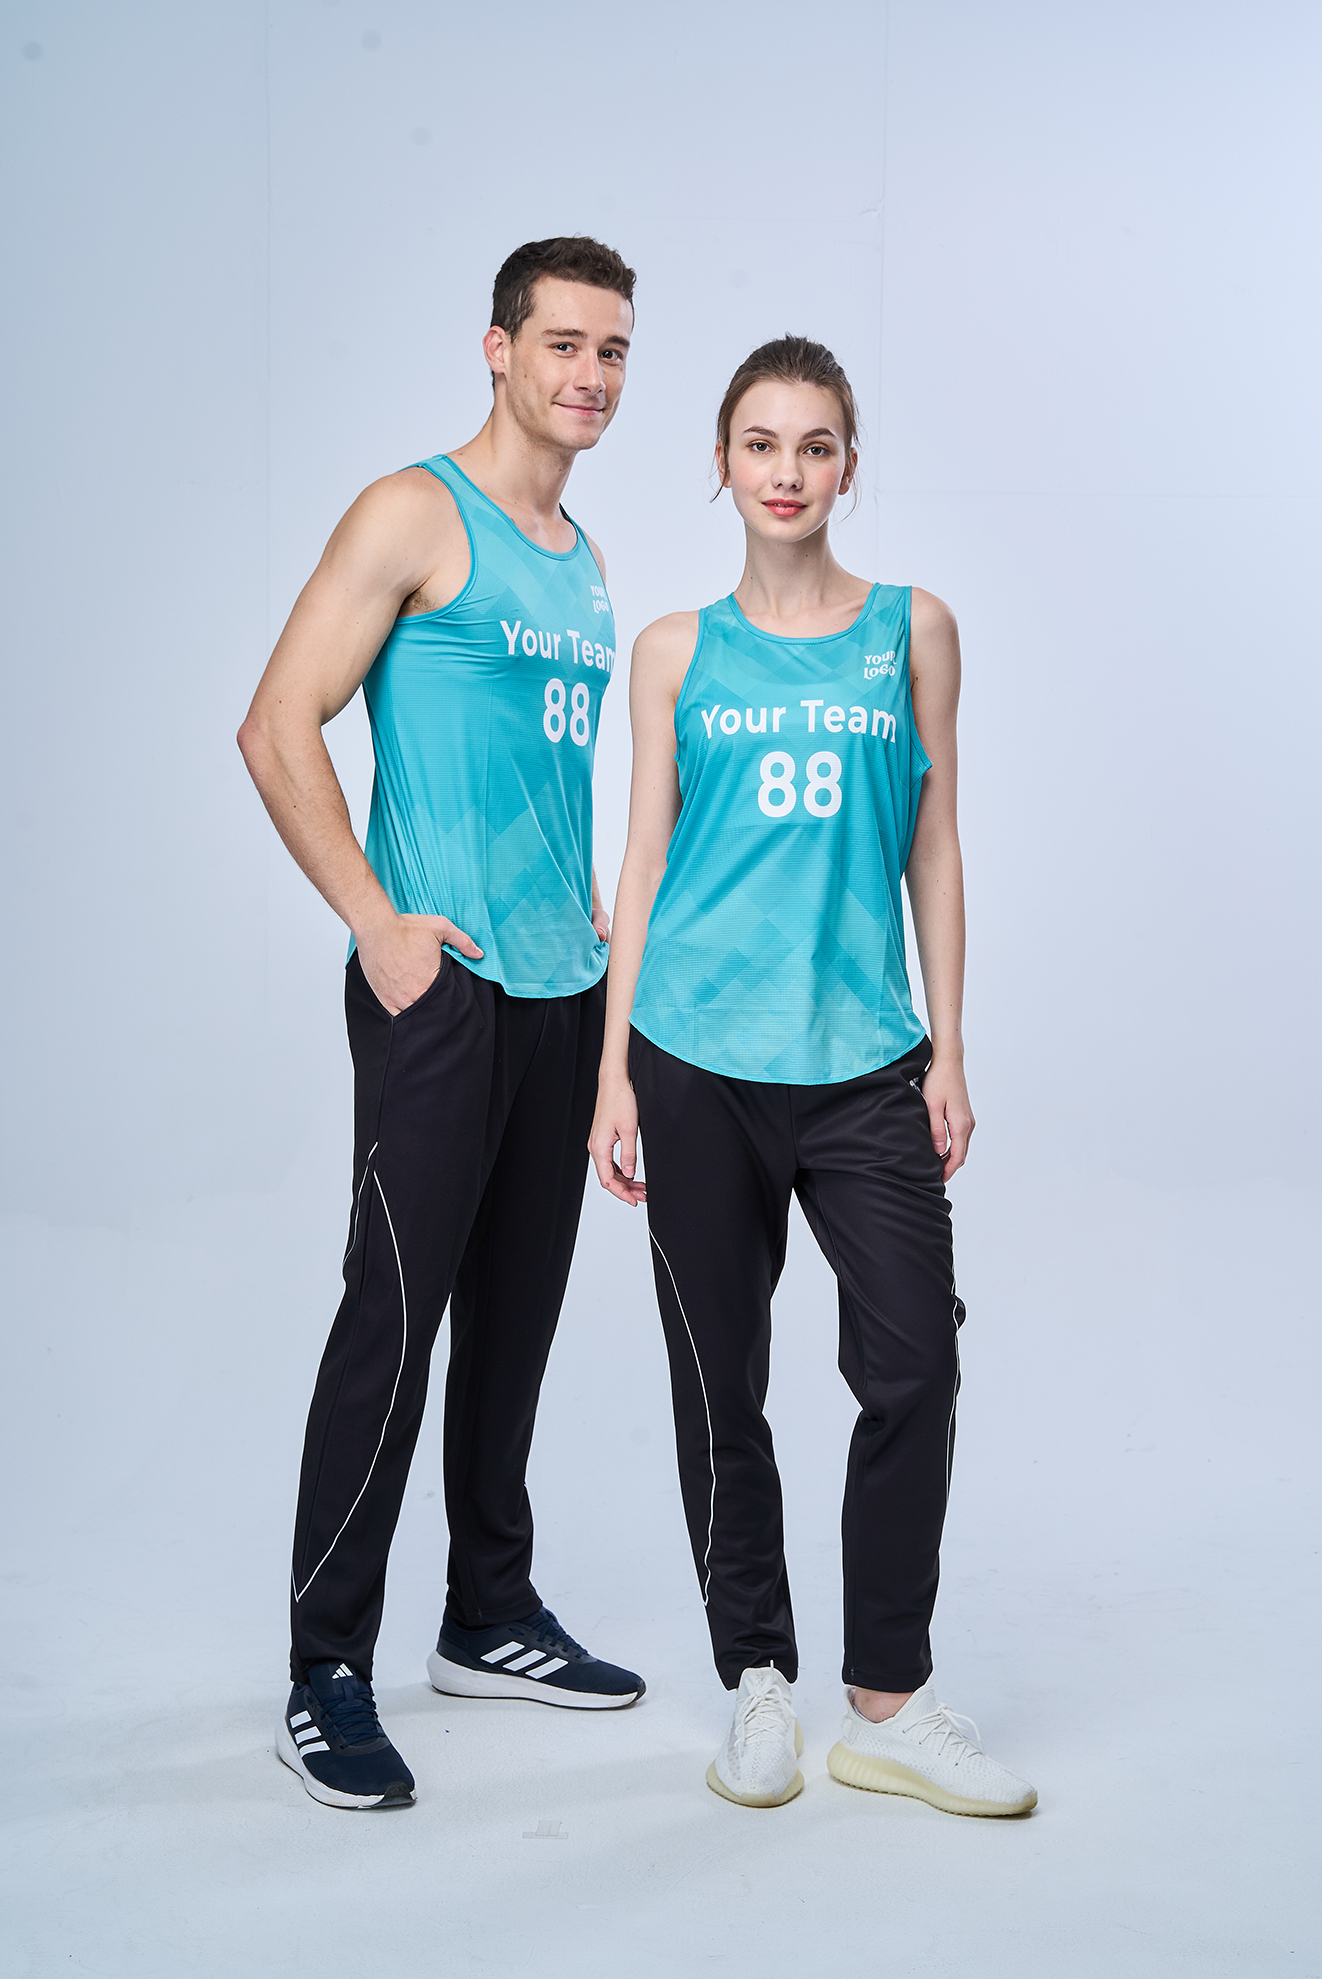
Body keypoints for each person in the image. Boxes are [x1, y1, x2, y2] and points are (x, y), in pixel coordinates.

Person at [588, 336, 1036, 1817]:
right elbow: (642, 863)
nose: (787, 472)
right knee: (721, 1380)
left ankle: (888, 1700)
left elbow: (934, 844)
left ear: (849, 466)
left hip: (861, 1062)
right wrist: (614, 1071)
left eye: (815, 445)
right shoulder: (673, 650)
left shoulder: (912, 630)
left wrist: (948, 1045)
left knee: (914, 1362)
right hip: (694, 1057)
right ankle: (758, 1683)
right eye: (760, 444)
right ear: (720, 464)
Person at [238, 236, 645, 1813]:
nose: (588, 375)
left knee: (516, 1319)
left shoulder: (581, 555)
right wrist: (374, 920)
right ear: (497, 348)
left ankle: (487, 1614)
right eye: (562, 344)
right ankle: (324, 1669)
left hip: (560, 990)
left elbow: (544, 776)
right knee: (395, 1318)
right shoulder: (415, 511)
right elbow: (277, 721)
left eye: (612, 350)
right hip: (442, 986)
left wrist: (591, 933)